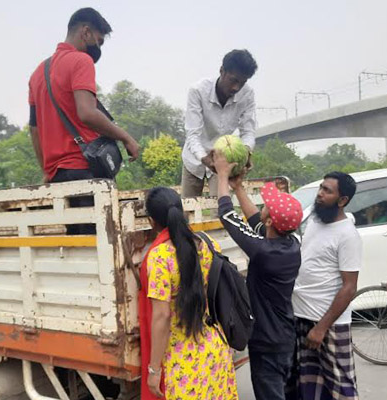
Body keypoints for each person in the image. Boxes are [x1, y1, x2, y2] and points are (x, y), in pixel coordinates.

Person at [28, 8, 139, 234]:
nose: (97, 49)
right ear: (85, 32)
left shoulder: (37, 73)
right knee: (100, 246)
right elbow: (87, 113)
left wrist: (48, 169)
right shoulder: (81, 61)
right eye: (98, 41)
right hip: (85, 170)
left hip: (59, 178)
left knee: (79, 244)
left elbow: (34, 129)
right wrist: (126, 137)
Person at [213, 151, 303, 400]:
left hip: (267, 341)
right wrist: (238, 187)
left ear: (272, 221)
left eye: (267, 207)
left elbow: (228, 217)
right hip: (283, 335)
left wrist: (222, 175)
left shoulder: (264, 252)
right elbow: (256, 222)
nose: (262, 207)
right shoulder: (291, 243)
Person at [139, 186, 238, 399]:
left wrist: (154, 369)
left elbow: (162, 315)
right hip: (216, 348)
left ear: (151, 221)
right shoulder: (209, 245)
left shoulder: (159, 257)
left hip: (184, 362)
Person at [287, 172, 361, 400]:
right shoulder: (314, 220)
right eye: (321, 187)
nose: (320, 194)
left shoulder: (348, 235)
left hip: (328, 324)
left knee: (341, 387)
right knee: (309, 385)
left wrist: (321, 328)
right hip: (301, 316)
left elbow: (349, 288)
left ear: (342, 200)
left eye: (327, 191)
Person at [181, 49, 258, 197]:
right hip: (194, 158)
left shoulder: (247, 95)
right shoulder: (198, 91)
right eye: (233, 80)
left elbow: (248, 131)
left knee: (222, 211)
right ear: (222, 71)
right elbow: (192, 134)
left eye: (242, 83)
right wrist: (205, 159)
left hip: (223, 160)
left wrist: (246, 152)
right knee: (186, 211)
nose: (236, 88)